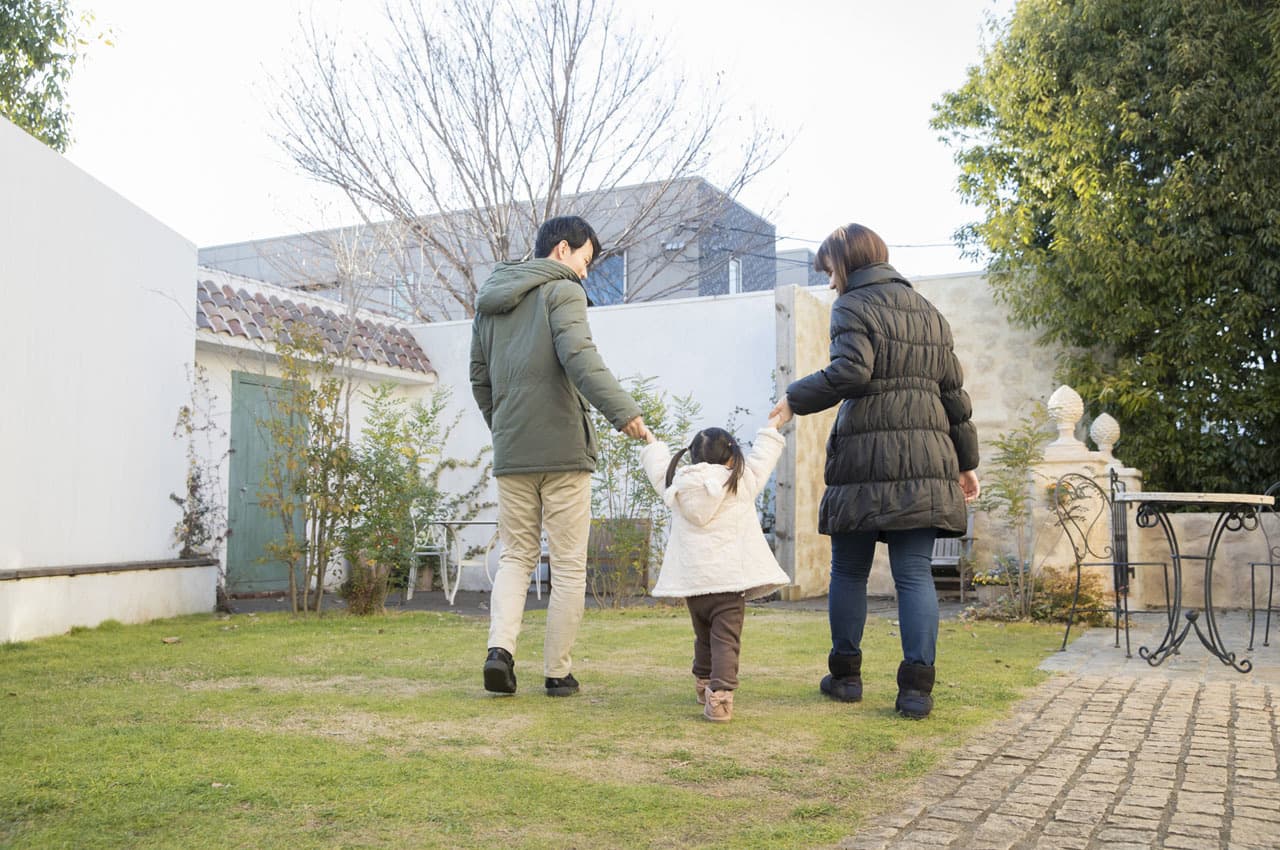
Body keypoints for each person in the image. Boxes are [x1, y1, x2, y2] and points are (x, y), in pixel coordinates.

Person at [769, 223, 980, 720]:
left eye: (829, 272)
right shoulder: (929, 312)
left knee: (848, 570)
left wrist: (793, 399)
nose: (828, 284)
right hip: (929, 457)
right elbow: (954, 397)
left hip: (866, 456)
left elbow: (850, 372)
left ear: (846, 263)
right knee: (913, 573)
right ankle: (916, 692)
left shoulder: (852, 306)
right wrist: (966, 462)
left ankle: (845, 678)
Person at [470, 215, 650, 697]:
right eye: (585, 261)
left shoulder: (489, 302)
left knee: (516, 557)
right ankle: (556, 673)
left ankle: (499, 653)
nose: (586, 273)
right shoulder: (562, 289)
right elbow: (580, 357)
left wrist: (507, 428)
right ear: (563, 249)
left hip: (513, 452)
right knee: (569, 565)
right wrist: (625, 413)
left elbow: (479, 380)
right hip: (565, 452)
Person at [639, 415, 791, 722]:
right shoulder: (740, 480)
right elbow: (762, 458)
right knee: (725, 640)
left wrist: (651, 442)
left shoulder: (677, 484)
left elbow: (657, 469)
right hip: (728, 583)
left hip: (695, 584)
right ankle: (720, 699)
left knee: (704, 637)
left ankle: (703, 684)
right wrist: (772, 428)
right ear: (732, 456)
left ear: (693, 456)